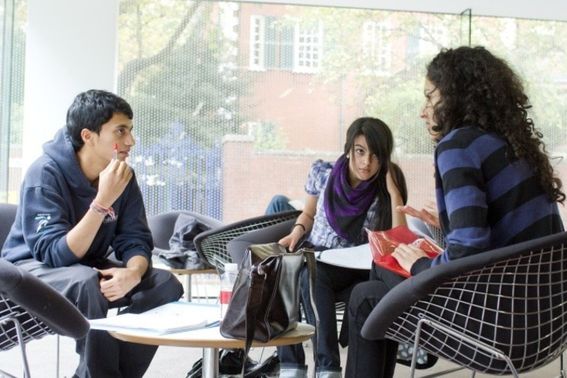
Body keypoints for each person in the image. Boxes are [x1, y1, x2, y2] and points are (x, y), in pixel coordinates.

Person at [345, 46, 565, 378]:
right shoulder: (515, 144)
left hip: (498, 328)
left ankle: (401, 343)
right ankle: (399, 339)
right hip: (550, 324)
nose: (424, 111)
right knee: (372, 295)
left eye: (430, 97)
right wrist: (445, 227)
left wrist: (418, 264)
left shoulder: (458, 145)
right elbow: (513, 239)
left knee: (369, 293)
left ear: (457, 98)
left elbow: (468, 249)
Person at [1, 89, 184, 377]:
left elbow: (134, 239)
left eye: (131, 130)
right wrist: (102, 202)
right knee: (89, 282)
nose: (130, 141)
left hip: (85, 265)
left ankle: (100, 374)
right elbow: (55, 254)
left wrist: (133, 272)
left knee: (164, 284)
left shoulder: (123, 175)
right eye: (120, 131)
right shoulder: (45, 173)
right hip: (32, 268)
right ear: (88, 135)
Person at [271, 117, 408, 378]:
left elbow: (397, 238)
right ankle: (292, 365)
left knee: (310, 273)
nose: (366, 162)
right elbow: (309, 213)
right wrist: (296, 232)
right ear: (349, 149)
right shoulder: (323, 173)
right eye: (360, 151)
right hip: (318, 254)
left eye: (375, 155)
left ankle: (327, 367)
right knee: (288, 270)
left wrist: (394, 194)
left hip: (355, 267)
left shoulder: (385, 188)